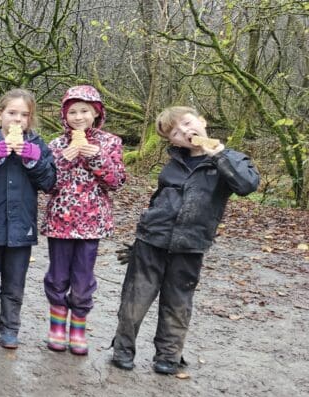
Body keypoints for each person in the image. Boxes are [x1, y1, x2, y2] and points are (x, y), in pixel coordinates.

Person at [110, 106, 259, 375]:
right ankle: (122, 349)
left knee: (178, 302)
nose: (184, 132)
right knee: (135, 297)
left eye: (188, 123)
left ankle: (168, 355)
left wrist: (220, 155)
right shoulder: (175, 161)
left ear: (202, 122)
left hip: (191, 244)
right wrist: (139, 240)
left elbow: (247, 185)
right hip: (151, 241)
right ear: (172, 141)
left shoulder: (231, 160)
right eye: (175, 132)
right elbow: (159, 199)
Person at [0, 88, 56, 352]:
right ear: (0, 114)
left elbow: (49, 182)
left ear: (30, 119)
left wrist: (33, 161)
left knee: (15, 281)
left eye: (24, 115)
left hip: (22, 227)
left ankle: (9, 329)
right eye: (12, 113)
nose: (17, 120)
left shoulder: (38, 146)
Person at [41, 85, 126, 355]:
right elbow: (47, 185)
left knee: (83, 279)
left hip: (92, 224)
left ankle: (78, 328)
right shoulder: (55, 145)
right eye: (73, 112)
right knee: (57, 277)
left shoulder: (110, 143)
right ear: (64, 115)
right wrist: (64, 161)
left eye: (84, 111)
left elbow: (117, 182)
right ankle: (56, 326)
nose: (78, 117)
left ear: (96, 113)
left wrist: (96, 158)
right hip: (60, 222)